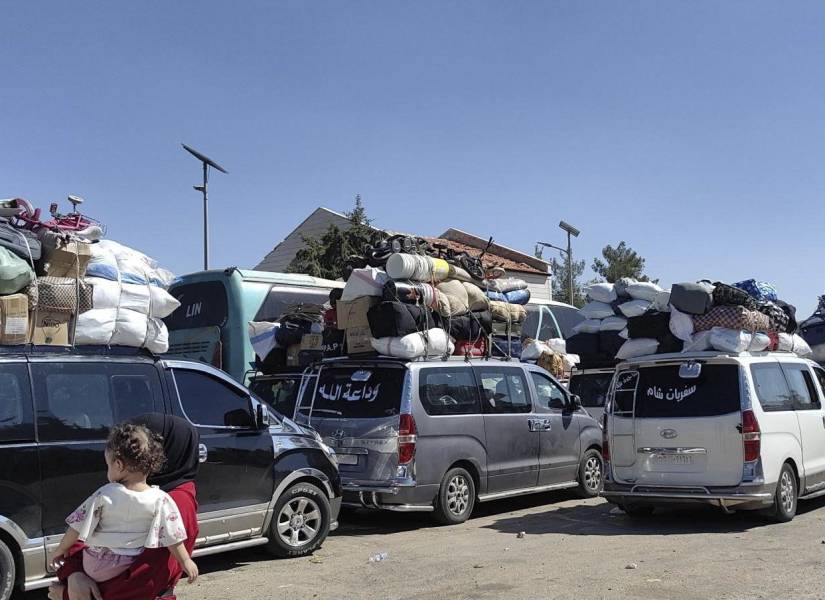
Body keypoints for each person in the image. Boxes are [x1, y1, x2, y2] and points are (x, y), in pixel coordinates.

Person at [50, 415, 201, 600]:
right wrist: (74, 573)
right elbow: (83, 534)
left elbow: (143, 581)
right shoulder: (130, 490)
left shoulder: (176, 502)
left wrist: (65, 594)